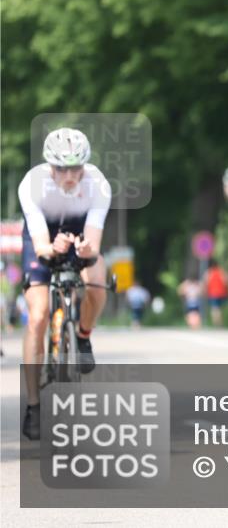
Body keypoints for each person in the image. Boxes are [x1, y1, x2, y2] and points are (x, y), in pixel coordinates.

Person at [18, 128, 111, 440]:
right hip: (42, 234)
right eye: (62, 169)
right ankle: (33, 405)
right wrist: (51, 249)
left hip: (79, 230)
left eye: (77, 168)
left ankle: (82, 335)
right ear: (49, 166)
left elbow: (94, 242)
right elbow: (41, 243)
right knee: (38, 316)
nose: (70, 176)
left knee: (97, 281)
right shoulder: (32, 184)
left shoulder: (97, 183)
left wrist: (86, 251)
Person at [203, 257, 228, 327]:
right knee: (219, 308)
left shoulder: (209, 272)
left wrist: (205, 292)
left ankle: (217, 323)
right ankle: (220, 323)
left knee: (215, 308)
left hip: (213, 293)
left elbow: (206, 283)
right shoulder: (222, 271)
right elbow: (226, 281)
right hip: (222, 293)